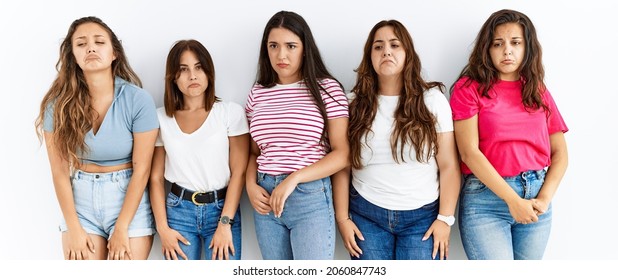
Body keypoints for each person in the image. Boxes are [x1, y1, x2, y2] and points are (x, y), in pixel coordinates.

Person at [333, 20, 460, 260]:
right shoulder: (352, 103)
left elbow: (449, 165)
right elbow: (342, 166)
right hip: (366, 214)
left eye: (395, 45)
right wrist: (342, 218)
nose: (386, 52)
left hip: (422, 217)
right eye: (378, 47)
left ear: (407, 53)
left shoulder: (432, 101)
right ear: (369, 56)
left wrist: (445, 219)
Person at [35, 16, 159, 260]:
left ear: (114, 53)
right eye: (81, 44)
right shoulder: (57, 105)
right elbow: (59, 172)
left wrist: (123, 226)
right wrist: (73, 227)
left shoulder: (138, 99)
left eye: (99, 42)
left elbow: (142, 168)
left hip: (127, 199)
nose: (90, 47)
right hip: (80, 203)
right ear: (73, 56)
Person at [449, 9, 569, 260]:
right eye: (498, 44)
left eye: (515, 43)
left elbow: (560, 153)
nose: (507, 51)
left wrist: (544, 198)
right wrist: (513, 201)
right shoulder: (468, 89)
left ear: (527, 48)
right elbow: (469, 153)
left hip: (537, 198)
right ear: (487, 49)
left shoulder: (536, 89)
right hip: (486, 201)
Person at [244, 10, 349, 260]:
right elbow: (254, 152)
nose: (281, 55)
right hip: (265, 198)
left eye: (291, 46)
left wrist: (294, 179)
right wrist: (250, 185)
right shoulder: (257, 93)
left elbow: (343, 154)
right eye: (274, 46)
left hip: (309, 195)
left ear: (305, 48)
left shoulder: (326, 89)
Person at [149, 39, 249, 260]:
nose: (192, 76)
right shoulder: (161, 118)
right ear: (173, 77)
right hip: (178, 211)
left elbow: (239, 172)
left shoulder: (230, 113)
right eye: (183, 70)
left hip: (222, 211)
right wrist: (162, 228)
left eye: (198, 67)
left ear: (209, 72)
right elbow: (155, 178)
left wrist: (225, 223)